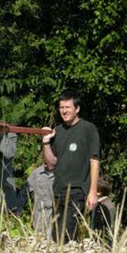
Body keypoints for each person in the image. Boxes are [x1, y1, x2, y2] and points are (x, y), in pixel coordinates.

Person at [42, 91, 100, 243]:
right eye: (61, 107)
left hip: (77, 191)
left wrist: (93, 192)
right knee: (56, 238)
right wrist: (46, 143)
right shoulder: (58, 131)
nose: (64, 111)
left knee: (65, 235)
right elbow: (50, 164)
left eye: (68, 107)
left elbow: (94, 161)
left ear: (77, 109)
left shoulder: (88, 129)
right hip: (58, 191)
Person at [17, 161, 55, 238]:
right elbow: (25, 191)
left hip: (56, 221)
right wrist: (18, 209)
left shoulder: (62, 172)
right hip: (39, 221)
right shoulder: (37, 173)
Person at [91, 175, 116, 243]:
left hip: (105, 241)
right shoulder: (97, 204)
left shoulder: (108, 206)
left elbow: (110, 226)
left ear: (99, 192)